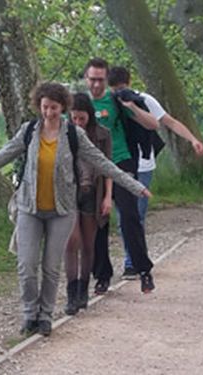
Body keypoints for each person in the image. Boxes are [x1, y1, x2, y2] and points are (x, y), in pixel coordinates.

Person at [0, 83, 150, 336]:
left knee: (50, 267)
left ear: (63, 108)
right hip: (29, 208)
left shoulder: (73, 135)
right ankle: (29, 314)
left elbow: (103, 163)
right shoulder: (29, 132)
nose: (49, 113)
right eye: (45, 107)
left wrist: (135, 186)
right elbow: (1, 156)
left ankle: (45, 317)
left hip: (62, 210)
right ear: (39, 106)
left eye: (54, 108)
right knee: (26, 266)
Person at [106, 66, 203, 280]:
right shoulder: (108, 104)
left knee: (136, 215)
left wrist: (193, 139)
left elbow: (168, 122)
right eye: (115, 90)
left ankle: (132, 262)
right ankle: (132, 258)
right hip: (119, 164)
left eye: (122, 88)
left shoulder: (144, 100)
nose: (119, 93)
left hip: (142, 165)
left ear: (129, 83)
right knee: (124, 216)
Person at [84, 58, 160, 294]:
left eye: (100, 80)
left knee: (129, 216)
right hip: (93, 167)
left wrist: (132, 107)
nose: (96, 85)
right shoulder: (80, 103)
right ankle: (102, 275)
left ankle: (143, 269)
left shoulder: (117, 100)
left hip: (120, 161)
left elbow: (152, 125)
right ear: (85, 79)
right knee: (98, 222)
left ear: (107, 80)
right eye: (92, 79)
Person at [63, 93, 114, 316]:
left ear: (89, 117)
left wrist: (107, 197)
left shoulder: (103, 135)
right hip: (69, 194)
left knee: (88, 244)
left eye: (82, 119)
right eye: (74, 118)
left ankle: (83, 289)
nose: (78, 123)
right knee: (71, 241)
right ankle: (71, 292)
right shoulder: (63, 133)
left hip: (92, 192)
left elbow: (108, 167)